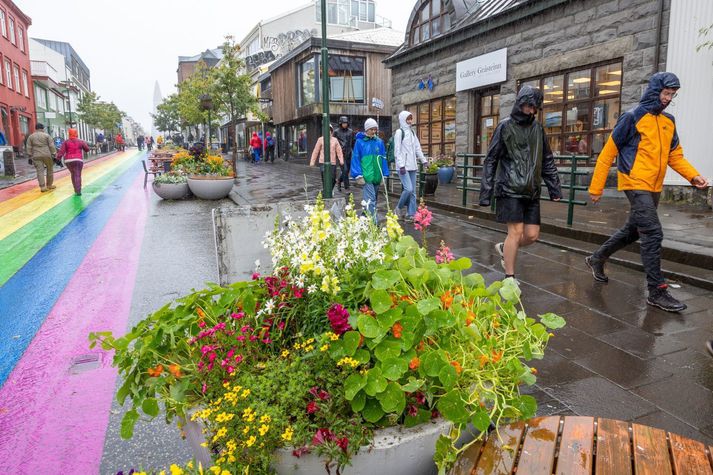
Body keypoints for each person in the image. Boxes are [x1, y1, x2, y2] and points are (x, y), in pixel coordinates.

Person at [586, 72, 709, 312]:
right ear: (654, 91)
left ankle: (597, 258)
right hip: (634, 182)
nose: (668, 98)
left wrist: (693, 176)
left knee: (633, 231)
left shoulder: (668, 121)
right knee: (652, 232)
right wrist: (596, 187)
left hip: (654, 186)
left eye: (672, 95)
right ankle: (656, 291)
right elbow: (608, 152)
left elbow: (675, 156)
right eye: (665, 93)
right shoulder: (632, 117)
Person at [479, 86, 562, 280]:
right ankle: (510, 277)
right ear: (520, 103)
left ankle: (505, 247)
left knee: (532, 235)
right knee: (515, 232)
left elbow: (547, 159)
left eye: (535, 108)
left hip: (531, 190)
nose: (532, 111)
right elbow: (491, 159)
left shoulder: (538, 129)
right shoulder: (505, 127)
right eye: (529, 106)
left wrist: (554, 188)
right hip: (509, 188)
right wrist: (486, 192)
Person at [351, 118, 389, 222]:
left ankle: (364, 216)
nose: (373, 131)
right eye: (371, 129)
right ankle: (374, 223)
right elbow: (356, 158)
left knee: (373, 200)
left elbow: (383, 158)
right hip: (366, 176)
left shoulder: (379, 142)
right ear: (366, 129)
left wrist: (384, 174)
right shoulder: (359, 142)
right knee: (371, 200)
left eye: (375, 129)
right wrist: (358, 174)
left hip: (377, 176)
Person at [393, 110, 427, 222]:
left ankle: (411, 214)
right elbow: (397, 150)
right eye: (408, 119)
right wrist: (401, 165)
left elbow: (417, 148)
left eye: (411, 119)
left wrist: (423, 160)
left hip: (412, 166)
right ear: (403, 119)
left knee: (413, 192)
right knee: (408, 189)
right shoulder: (399, 132)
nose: (410, 121)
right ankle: (398, 208)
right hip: (403, 167)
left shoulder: (412, 132)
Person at [56, 128, 89, 196]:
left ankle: (75, 188)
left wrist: (58, 158)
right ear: (76, 133)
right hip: (78, 160)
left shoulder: (66, 142)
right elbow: (87, 149)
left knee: (73, 173)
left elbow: (61, 151)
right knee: (77, 174)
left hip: (68, 160)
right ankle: (78, 190)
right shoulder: (80, 141)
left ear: (69, 134)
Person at [310, 124, 344, 189]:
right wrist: (312, 161)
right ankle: (325, 191)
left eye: (329, 130)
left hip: (332, 162)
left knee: (333, 178)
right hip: (323, 161)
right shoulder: (320, 139)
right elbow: (315, 151)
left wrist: (341, 160)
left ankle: (330, 190)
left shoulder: (335, 140)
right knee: (324, 177)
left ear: (331, 131)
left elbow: (339, 151)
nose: (328, 132)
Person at [26, 123, 58, 192]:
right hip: (47, 154)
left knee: (40, 171)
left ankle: (42, 187)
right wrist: (54, 153)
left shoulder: (31, 137)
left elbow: (29, 147)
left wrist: (30, 155)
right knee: (50, 169)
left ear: (36, 128)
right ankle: (49, 185)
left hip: (36, 155)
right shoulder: (47, 136)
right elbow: (51, 146)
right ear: (42, 128)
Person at [334, 116, 354, 191]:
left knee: (347, 171)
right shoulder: (336, 132)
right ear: (340, 123)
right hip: (340, 154)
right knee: (345, 170)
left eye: (346, 123)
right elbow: (334, 143)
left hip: (349, 154)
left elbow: (353, 142)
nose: (345, 124)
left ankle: (339, 180)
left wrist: (354, 152)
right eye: (343, 123)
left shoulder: (350, 131)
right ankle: (347, 187)